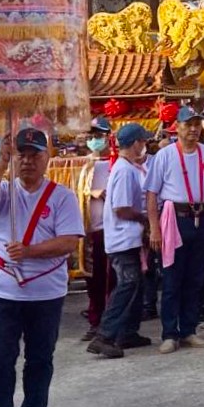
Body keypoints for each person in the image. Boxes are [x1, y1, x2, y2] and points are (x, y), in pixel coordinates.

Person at [0, 128, 85, 407]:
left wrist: (30, 251)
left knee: (39, 357)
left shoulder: (61, 196)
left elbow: (69, 241)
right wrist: (0, 163)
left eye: (35, 154)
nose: (28, 160)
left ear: (47, 158)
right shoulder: (4, 192)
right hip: (1, 290)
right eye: (22, 153)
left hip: (45, 293)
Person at [145, 107, 204, 354]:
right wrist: (154, 228)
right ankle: (170, 333)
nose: (192, 129)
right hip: (175, 221)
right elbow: (151, 194)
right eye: (186, 124)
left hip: (201, 218)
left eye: (195, 124)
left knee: (195, 278)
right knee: (172, 279)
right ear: (177, 127)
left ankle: (189, 330)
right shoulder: (165, 155)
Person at [89, 124, 154, 358]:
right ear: (136, 142)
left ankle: (127, 331)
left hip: (125, 238)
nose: (144, 145)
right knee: (128, 284)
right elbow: (122, 209)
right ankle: (104, 335)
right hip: (123, 237)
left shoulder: (125, 168)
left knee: (134, 284)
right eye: (142, 141)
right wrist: (145, 218)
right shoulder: (125, 171)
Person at [81, 117, 113, 344]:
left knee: (110, 277)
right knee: (92, 277)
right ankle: (95, 320)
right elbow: (73, 190)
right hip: (87, 228)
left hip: (109, 227)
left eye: (98, 136)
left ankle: (109, 322)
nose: (94, 140)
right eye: (91, 136)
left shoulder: (115, 164)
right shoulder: (81, 166)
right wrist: (89, 192)